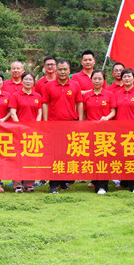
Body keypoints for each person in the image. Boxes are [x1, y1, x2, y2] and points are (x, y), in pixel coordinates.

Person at [43, 60, 84, 194]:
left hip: (70, 124)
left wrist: (80, 121)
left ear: (69, 71)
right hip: (54, 125)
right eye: (60, 69)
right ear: (56, 71)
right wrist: (45, 121)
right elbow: (45, 103)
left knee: (68, 154)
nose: (62, 72)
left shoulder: (75, 85)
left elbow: (80, 103)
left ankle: (64, 182)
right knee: (54, 155)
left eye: (65, 69)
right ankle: (53, 184)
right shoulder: (49, 86)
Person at [82, 69, 117, 195]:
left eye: (99, 79)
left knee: (103, 156)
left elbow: (113, 111)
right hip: (91, 130)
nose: (97, 81)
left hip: (105, 130)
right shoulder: (87, 95)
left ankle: (102, 185)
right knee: (93, 157)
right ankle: (95, 180)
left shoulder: (109, 94)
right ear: (91, 80)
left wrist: (106, 118)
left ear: (104, 80)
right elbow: (84, 113)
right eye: (95, 78)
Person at [9, 71, 43, 193]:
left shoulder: (37, 96)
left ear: (33, 82)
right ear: (22, 81)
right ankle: (17, 184)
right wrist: (19, 126)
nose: (28, 81)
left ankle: (29, 184)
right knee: (17, 157)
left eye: (30, 80)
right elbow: (13, 112)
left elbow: (39, 112)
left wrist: (36, 126)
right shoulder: (15, 95)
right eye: (26, 79)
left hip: (32, 132)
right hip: (18, 131)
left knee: (31, 158)